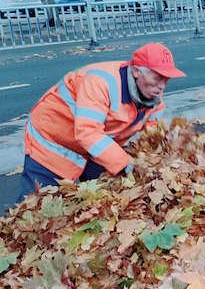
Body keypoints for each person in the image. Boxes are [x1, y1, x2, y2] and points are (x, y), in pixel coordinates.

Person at [18, 43, 185, 202]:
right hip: (51, 141)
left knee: (104, 197)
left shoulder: (152, 96)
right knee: (38, 206)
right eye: (157, 78)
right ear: (136, 72)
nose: (162, 85)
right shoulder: (100, 82)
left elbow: (155, 134)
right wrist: (127, 164)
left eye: (166, 78)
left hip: (93, 146)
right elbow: (88, 132)